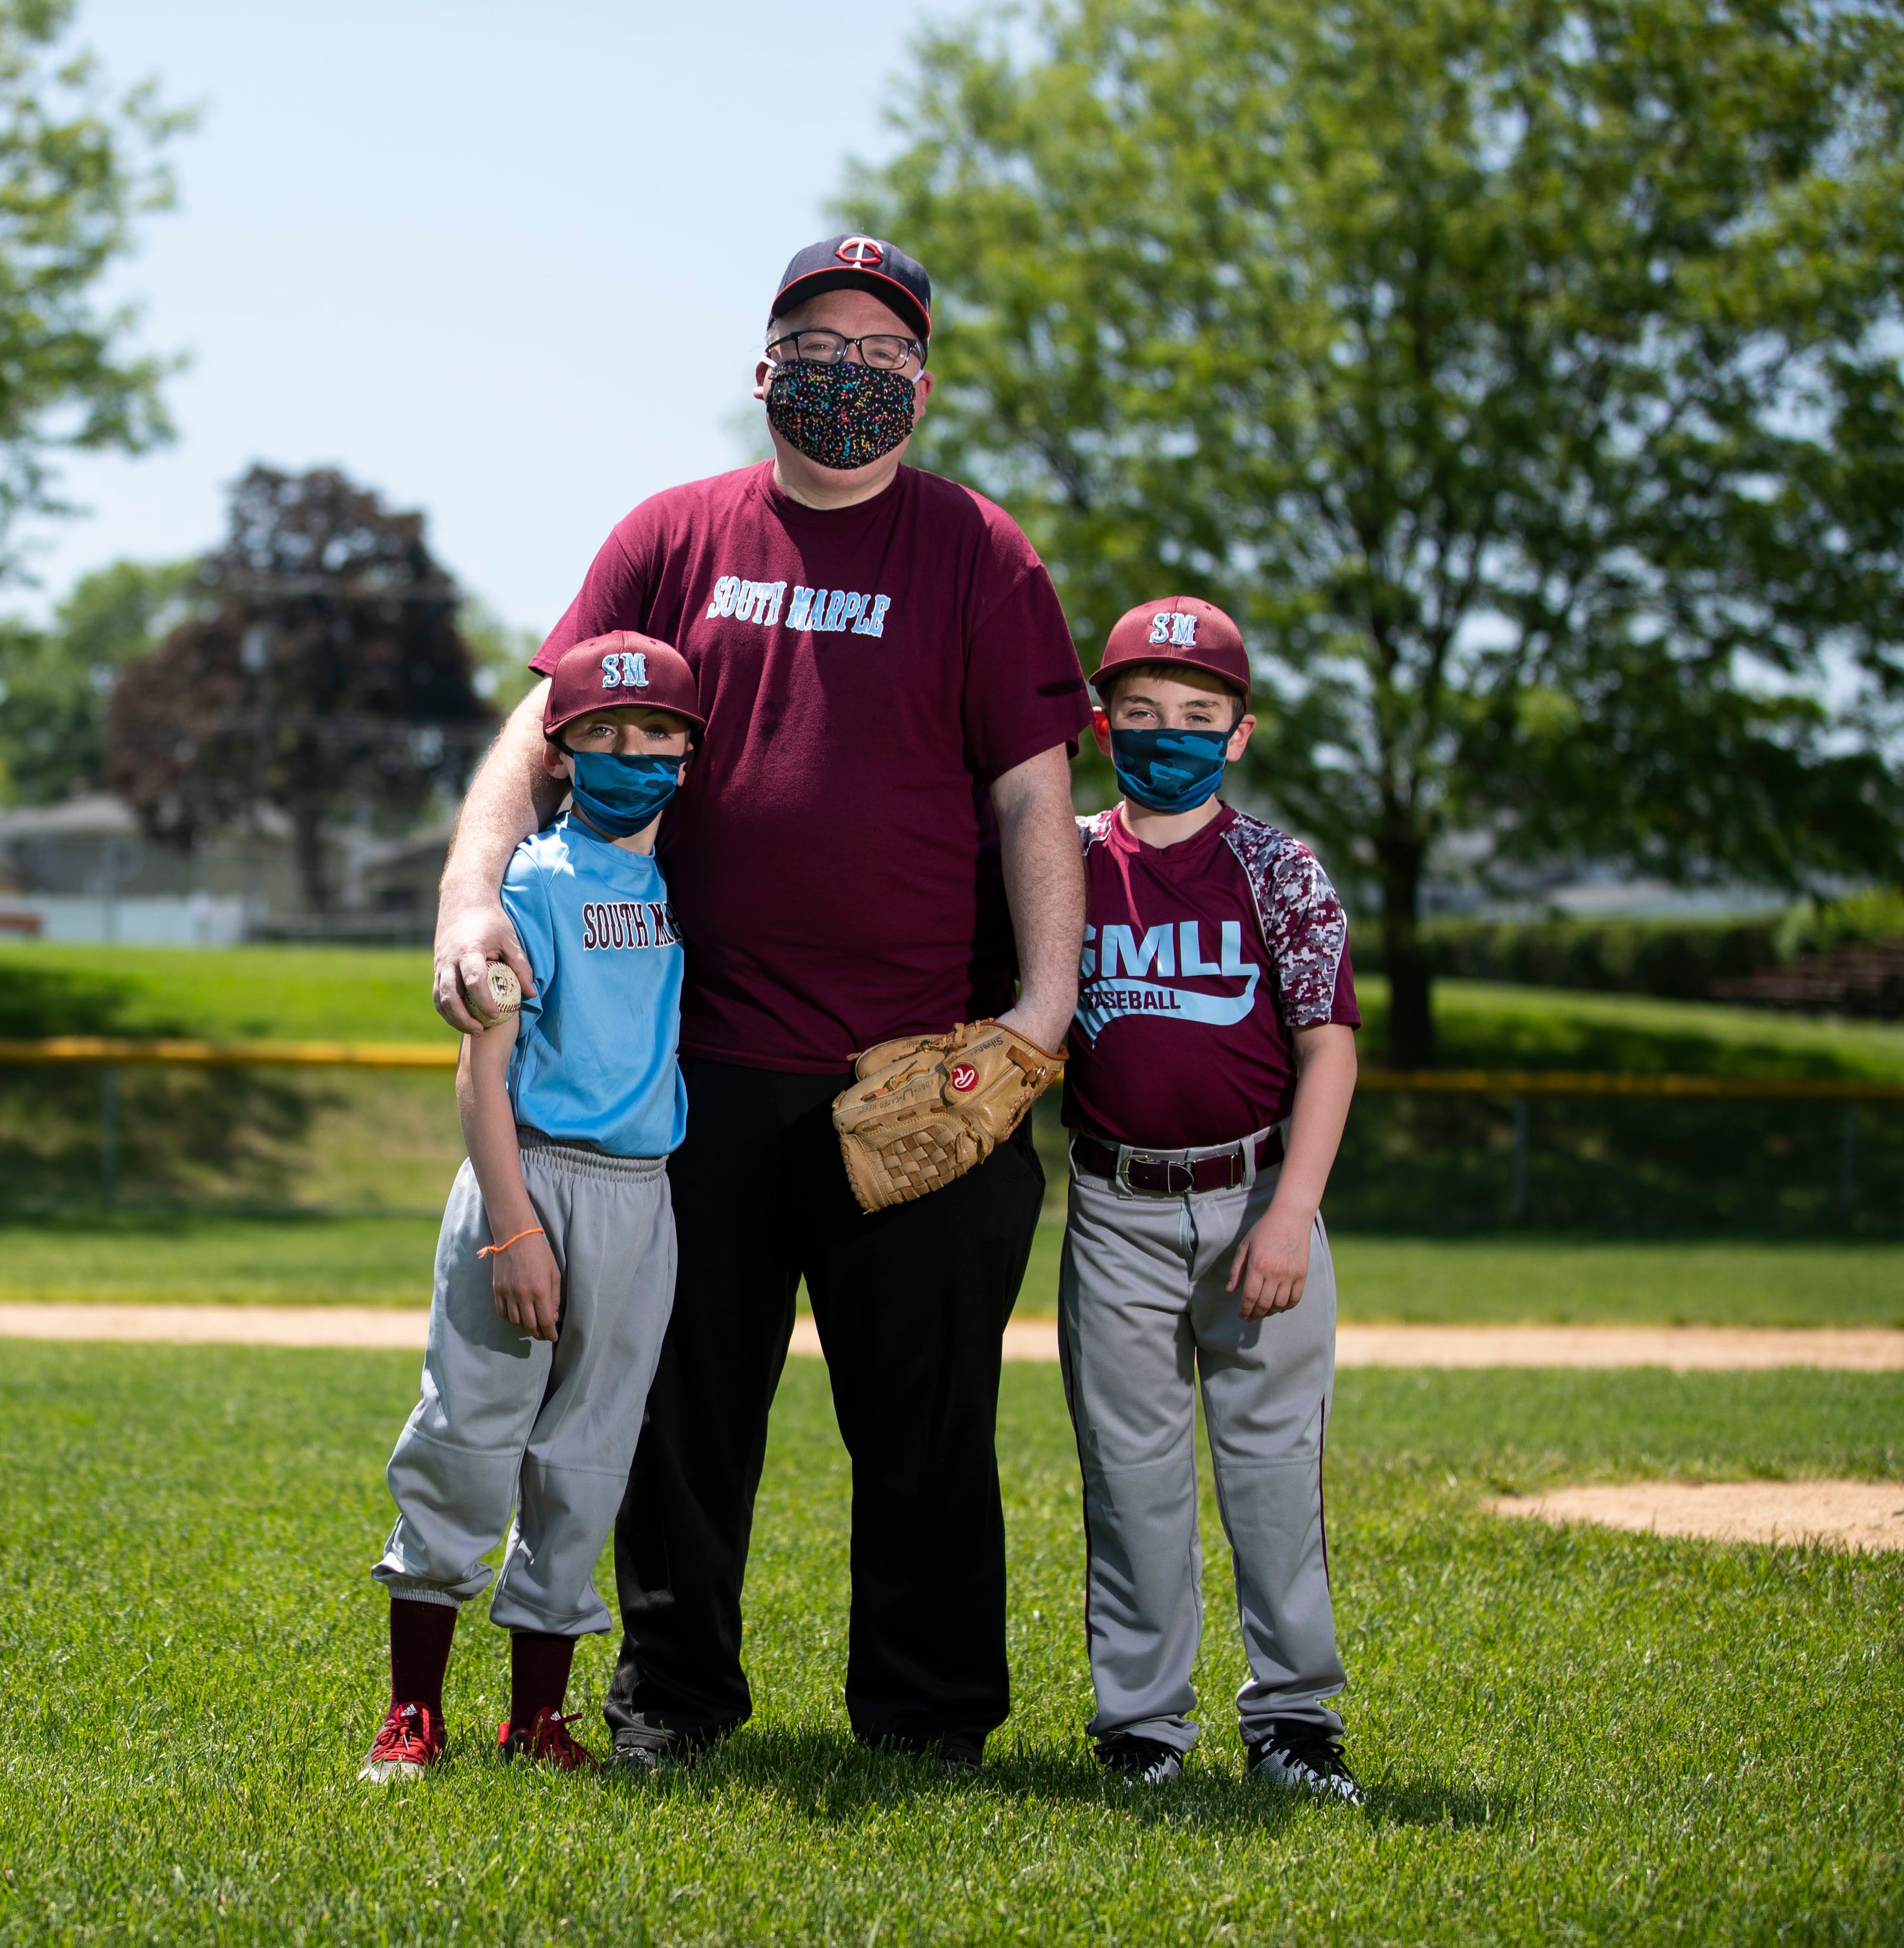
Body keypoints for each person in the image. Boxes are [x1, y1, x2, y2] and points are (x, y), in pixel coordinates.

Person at [428, 235, 1091, 1769]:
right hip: (689, 1065)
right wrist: (469, 898)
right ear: (763, 365)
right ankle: (671, 1700)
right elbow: (538, 732)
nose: (847, 371)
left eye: (882, 349)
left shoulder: (981, 554)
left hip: (925, 1063)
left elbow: (1033, 797)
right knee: (678, 1414)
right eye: (818, 340)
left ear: (920, 383)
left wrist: (1043, 1014)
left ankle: (927, 1723)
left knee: (927, 1420)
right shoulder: (675, 534)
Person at [362, 631, 704, 1782]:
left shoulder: (671, 878)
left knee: (588, 1456)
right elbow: (481, 1072)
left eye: (656, 735)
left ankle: (537, 1718)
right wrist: (512, 1226)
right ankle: (413, 1711)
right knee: (467, 1439)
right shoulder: (528, 880)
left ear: (690, 755)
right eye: (602, 737)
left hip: (638, 1190)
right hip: (533, 1173)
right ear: (558, 752)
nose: (632, 756)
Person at [1060, 596, 1365, 1802]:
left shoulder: (1276, 866)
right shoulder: (1069, 858)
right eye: (1139, 713)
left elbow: (1327, 1045)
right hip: (1113, 1202)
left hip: (1251, 1194)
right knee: (1128, 1474)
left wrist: (1291, 1210)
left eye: (1196, 714)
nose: (1167, 733)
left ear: (1239, 731)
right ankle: (1142, 1724)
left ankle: (1294, 1718)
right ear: (1099, 724)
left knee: (1272, 1471)